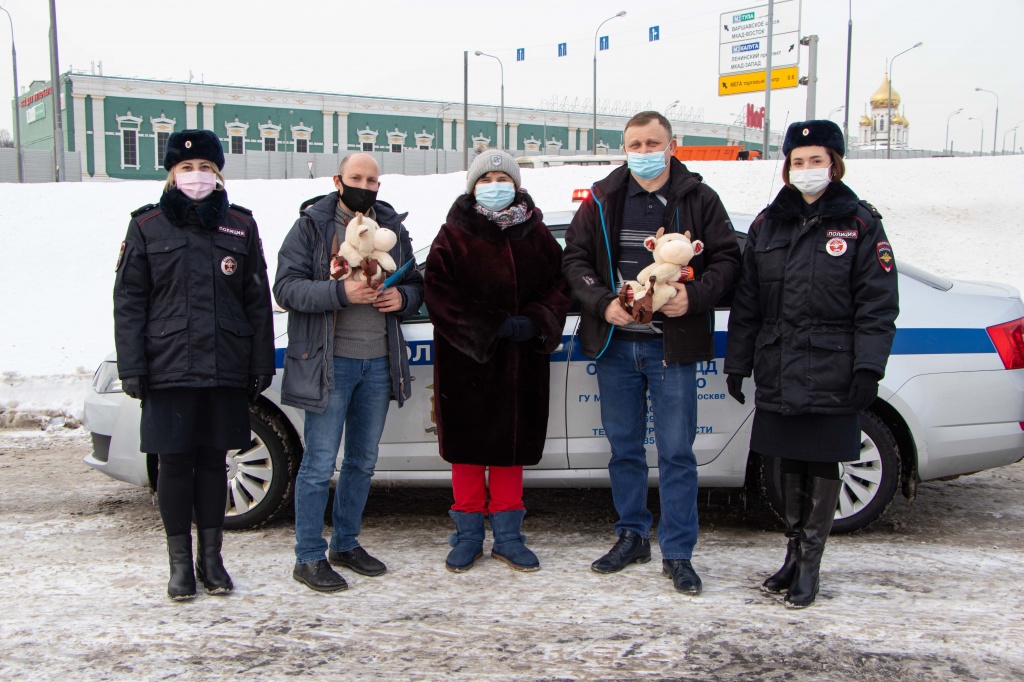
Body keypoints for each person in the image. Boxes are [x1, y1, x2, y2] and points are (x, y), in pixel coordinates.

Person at [562, 111, 740, 594]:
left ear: (672, 143)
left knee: (677, 454)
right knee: (624, 450)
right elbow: (573, 258)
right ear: (624, 147)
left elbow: (727, 260)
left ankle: (678, 552)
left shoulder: (699, 198)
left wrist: (695, 296)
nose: (644, 152)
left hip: (672, 348)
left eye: (653, 142)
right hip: (617, 346)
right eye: (635, 144)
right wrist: (601, 303)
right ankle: (632, 534)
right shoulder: (601, 198)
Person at [724, 120, 899, 608]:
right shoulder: (766, 224)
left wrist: (869, 369)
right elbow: (748, 302)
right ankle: (791, 555)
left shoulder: (861, 224)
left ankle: (811, 565)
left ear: (835, 164)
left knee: (821, 463)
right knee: (786, 461)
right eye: (797, 162)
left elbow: (878, 305)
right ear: (786, 168)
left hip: (834, 367)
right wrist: (738, 363)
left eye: (815, 160)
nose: (806, 170)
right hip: (779, 363)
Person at [113, 129, 276, 600]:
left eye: (205, 168)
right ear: (171, 174)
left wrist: (259, 361)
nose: (196, 176)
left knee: (214, 464)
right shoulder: (146, 227)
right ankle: (180, 565)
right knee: (174, 465)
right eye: (187, 168)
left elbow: (255, 301)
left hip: (225, 365)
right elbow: (129, 301)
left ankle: (212, 560)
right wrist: (133, 366)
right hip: (168, 366)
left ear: (218, 173)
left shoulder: (240, 226)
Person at [274, 152, 424, 593]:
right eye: (357, 177)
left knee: (362, 461)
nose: (365, 184)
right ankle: (308, 556)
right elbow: (285, 287)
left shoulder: (392, 229)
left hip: (379, 361)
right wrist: (340, 292)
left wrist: (404, 301)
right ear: (338, 180)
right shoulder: (311, 226)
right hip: (329, 362)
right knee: (319, 464)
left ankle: (346, 543)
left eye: (372, 179)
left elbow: (416, 282)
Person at [424, 150, 570, 573]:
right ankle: (467, 535)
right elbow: (438, 291)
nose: (494, 185)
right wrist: (489, 326)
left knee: (510, 451)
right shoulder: (451, 234)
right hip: (466, 361)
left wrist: (536, 321)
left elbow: (560, 286)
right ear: (473, 186)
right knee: (468, 452)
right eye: (485, 179)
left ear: (517, 184)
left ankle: (508, 537)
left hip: (521, 362)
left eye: (501, 177)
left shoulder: (538, 234)